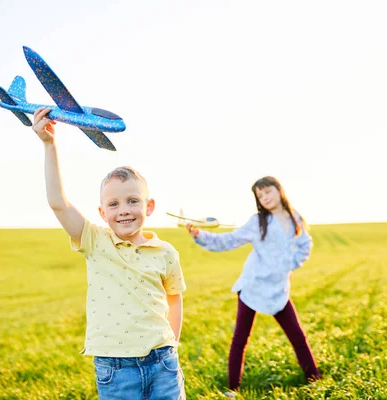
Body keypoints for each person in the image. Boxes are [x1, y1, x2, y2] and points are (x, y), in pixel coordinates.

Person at [32, 107, 187, 400]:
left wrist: (172, 344)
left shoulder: (165, 252)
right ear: (102, 213)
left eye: (132, 201)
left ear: (148, 207)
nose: (124, 210)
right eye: (113, 204)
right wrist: (48, 144)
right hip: (115, 368)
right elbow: (59, 203)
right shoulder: (94, 240)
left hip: (163, 362)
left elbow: (175, 297)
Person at [186, 176, 321, 393]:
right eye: (260, 195)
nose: (264, 198)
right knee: (240, 339)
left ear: (279, 190)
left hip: (279, 290)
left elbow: (306, 244)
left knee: (298, 337)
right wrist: (200, 235)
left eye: (267, 191)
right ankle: (233, 390)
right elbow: (227, 241)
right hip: (252, 287)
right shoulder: (258, 222)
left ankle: (315, 380)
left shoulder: (296, 219)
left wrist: (291, 264)